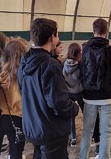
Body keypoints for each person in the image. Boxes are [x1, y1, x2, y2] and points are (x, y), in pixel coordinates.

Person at [17, 18, 79, 159]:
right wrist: (73, 108)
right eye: (57, 35)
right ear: (52, 37)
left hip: (34, 127)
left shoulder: (24, 61)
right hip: (50, 131)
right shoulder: (50, 65)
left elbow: (22, 91)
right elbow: (58, 103)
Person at [79, 18, 111, 159]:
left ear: (93, 31)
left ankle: (82, 157)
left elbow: (82, 69)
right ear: (106, 31)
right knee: (106, 132)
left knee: (87, 131)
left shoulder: (85, 49)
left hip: (89, 96)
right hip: (108, 95)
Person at [0, 39, 28, 159]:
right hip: (20, 116)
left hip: (6, 116)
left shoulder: (1, 74)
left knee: (14, 145)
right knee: (17, 148)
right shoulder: (23, 75)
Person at [62, 42, 84, 147]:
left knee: (71, 116)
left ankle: (73, 138)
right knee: (87, 114)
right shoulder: (81, 64)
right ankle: (92, 134)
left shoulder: (63, 63)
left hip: (68, 93)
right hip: (79, 92)